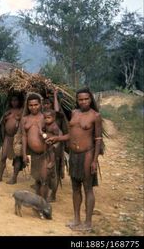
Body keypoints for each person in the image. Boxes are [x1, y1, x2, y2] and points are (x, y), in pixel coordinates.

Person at [47, 87, 102, 231]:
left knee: (88, 188)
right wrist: (57, 138)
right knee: (75, 188)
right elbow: (71, 134)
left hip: (87, 155)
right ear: (77, 101)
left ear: (91, 99)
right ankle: (76, 219)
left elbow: (97, 139)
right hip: (74, 155)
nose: (83, 102)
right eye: (81, 99)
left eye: (86, 99)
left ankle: (88, 223)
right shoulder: (74, 113)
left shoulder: (95, 116)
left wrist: (95, 160)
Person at [21, 93, 51, 200]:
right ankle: (39, 202)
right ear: (27, 106)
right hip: (34, 155)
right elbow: (24, 137)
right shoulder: (25, 119)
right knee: (37, 179)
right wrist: (24, 154)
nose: (33, 107)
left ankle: (44, 204)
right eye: (31, 105)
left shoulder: (45, 117)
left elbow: (52, 134)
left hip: (45, 154)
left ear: (40, 104)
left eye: (36, 104)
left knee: (44, 179)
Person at [0, 92, 25, 184]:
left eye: (16, 100)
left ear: (19, 101)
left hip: (17, 138)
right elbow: (2, 124)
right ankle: (0, 176)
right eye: (12, 100)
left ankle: (14, 177)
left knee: (17, 158)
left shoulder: (22, 111)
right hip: (7, 137)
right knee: (3, 157)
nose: (14, 102)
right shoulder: (8, 111)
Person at [42, 109, 62, 201]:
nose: (46, 119)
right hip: (48, 143)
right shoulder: (47, 125)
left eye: (49, 118)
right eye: (45, 118)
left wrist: (54, 142)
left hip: (54, 144)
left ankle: (52, 161)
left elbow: (58, 136)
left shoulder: (54, 127)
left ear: (54, 118)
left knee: (51, 152)